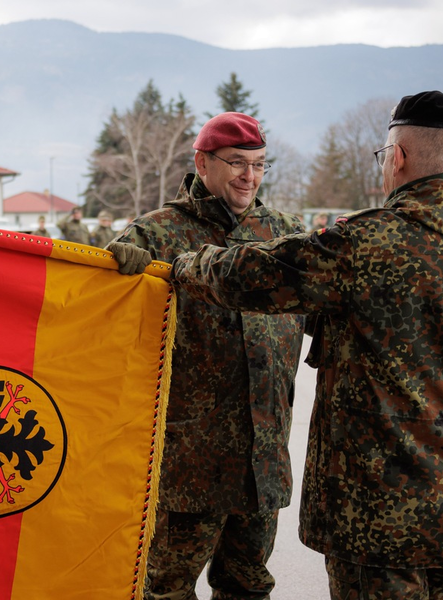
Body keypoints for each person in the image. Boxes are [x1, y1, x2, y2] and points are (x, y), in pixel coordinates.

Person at [169, 92, 443, 598]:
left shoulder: (362, 245)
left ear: (397, 157)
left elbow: (246, 274)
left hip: (381, 524)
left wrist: (185, 264)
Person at [107, 112, 305, 600]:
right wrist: (115, 269)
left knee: (249, 586)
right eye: (237, 163)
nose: (249, 176)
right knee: (166, 589)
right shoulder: (157, 234)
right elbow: (105, 317)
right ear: (202, 162)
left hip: (263, 460)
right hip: (188, 463)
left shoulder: (286, 235)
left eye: (259, 165)